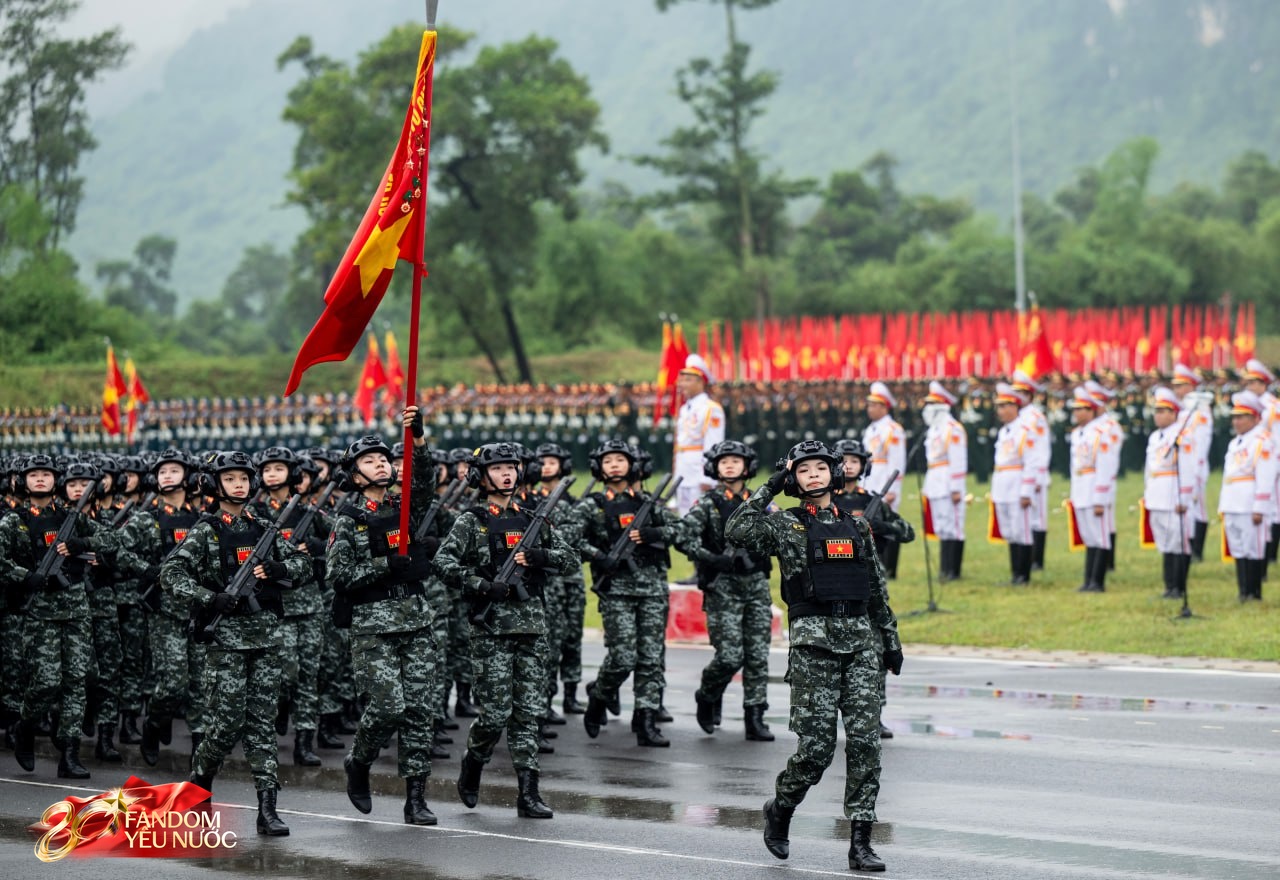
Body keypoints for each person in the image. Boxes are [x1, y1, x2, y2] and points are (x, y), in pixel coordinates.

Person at [725, 440, 901, 873]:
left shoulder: (857, 527)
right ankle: (781, 807)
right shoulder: (785, 525)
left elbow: (876, 586)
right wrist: (771, 484)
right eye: (803, 471)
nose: (813, 476)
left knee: (865, 744)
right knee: (817, 750)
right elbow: (736, 529)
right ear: (794, 480)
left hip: (860, 642)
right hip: (813, 646)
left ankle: (861, 841)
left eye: (820, 468)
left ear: (834, 474)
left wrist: (890, 639)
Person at [162, 449, 309, 836]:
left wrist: (279, 568)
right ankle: (198, 782)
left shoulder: (264, 528)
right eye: (230, 479)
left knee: (262, 722)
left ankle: (268, 809)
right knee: (226, 725)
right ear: (215, 484)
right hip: (226, 641)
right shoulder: (207, 530)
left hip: (265, 637)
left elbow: (303, 566)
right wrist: (209, 598)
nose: (239, 484)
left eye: (244, 478)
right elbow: (171, 574)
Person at [434, 442, 577, 818]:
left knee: (529, 712)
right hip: (491, 628)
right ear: (482, 476)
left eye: (512, 467)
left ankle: (528, 793)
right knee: (495, 713)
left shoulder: (534, 518)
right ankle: (474, 759)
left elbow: (569, 558)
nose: (507, 474)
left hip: (531, 625)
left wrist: (540, 557)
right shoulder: (471, 520)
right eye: (498, 469)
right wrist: (482, 585)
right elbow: (443, 563)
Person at [327, 413, 441, 826]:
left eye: (383, 458)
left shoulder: (403, 505)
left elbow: (426, 483)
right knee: (389, 706)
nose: (380, 464)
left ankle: (416, 797)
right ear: (355, 476)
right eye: (369, 460)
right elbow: (338, 577)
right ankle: (359, 761)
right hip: (374, 626)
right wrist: (384, 565)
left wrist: (418, 437)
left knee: (418, 711)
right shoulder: (349, 520)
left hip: (415, 619)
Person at [0, 455, 119, 778]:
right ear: (22, 482)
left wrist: (82, 542)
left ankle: (69, 752)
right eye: (34, 475)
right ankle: (25, 724)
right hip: (39, 611)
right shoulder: (15, 521)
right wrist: (25, 576)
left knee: (76, 681)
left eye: (46, 474)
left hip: (76, 608)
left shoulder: (71, 517)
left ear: (56, 480)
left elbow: (112, 541)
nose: (40, 479)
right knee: (46, 681)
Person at [573, 439, 678, 747]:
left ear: (632, 465)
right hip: (616, 590)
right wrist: (598, 554)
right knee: (622, 657)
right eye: (608, 461)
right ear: (599, 468)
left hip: (652, 589)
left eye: (620, 459)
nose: (615, 465)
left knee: (650, 659)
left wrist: (653, 533)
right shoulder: (591, 505)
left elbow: (682, 530)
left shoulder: (649, 503)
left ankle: (645, 722)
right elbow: (566, 538)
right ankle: (599, 696)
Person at [674, 440, 774, 742]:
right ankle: (708, 693)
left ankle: (754, 716)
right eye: (723, 461)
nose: (729, 465)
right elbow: (682, 537)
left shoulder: (761, 502)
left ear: (748, 467)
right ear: (714, 468)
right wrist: (710, 558)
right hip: (723, 588)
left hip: (756, 583)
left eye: (735, 460)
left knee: (757, 656)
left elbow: (780, 535)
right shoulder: (707, 503)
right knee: (730, 656)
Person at [250, 446, 325, 766]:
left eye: (279, 469)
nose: (272, 475)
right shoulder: (256, 512)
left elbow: (339, 536)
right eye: (267, 469)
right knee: (286, 673)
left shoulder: (308, 510)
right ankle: (280, 709)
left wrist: (318, 546)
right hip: (275, 605)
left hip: (307, 603)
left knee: (308, 673)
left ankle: (304, 741)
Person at [1218, 391, 1275, 601]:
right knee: (1238, 548)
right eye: (1234, 417)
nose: (1236, 421)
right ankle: (1242, 590)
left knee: (1254, 548)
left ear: (1255, 418)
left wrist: (1260, 507)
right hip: (1233, 502)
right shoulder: (1236, 443)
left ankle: (1254, 592)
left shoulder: (1262, 441)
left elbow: (1266, 476)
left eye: (1241, 417)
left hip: (1250, 503)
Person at [1142, 388, 1198, 599]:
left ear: (1174, 413)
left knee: (1178, 541)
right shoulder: (1155, 437)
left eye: (1164, 410)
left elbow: (1188, 468)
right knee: (1164, 542)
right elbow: (1150, 469)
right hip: (1157, 495)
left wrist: (1183, 498)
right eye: (1156, 410)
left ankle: (1179, 587)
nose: (1158, 414)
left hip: (1174, 495)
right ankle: (1169, 586)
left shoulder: (1183, 436)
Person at [1067, 388, 1118, 593]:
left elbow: (1106, 466)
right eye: (1076, 409)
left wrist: (1100, 496)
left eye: (1082, 409)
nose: (1077, 413)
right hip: (1081, 489)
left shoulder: (1100, 434)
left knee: (1101, 536)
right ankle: (1088, 579)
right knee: (1089, 536)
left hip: (1094, 489)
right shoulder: (1078, 434)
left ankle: (1098, 581)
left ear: (1092, 411)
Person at [991, 383, 1039, 584]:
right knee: (1009, 530)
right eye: (999, 406)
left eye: (1004, 406)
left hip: (1018, 485)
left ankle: (1023, 574)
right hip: (1003, 485)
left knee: (1022, 530)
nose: (1000, 411)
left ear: (1014, 407)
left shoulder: (1025, 431)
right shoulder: (1004, 432)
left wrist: (1027, 491)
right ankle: (1015, 573)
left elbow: (1031, 462)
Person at [921, 381, 968, 581]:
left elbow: (958, 460)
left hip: (949, 481)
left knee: (953, 526)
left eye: (932, 404)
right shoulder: (934, 429)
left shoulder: (952, 429)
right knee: (941, 525)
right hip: (935, 480)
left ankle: (953, 570)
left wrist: (956, 487)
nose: (927, 409)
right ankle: (944, 568)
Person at [1169, 365, 1214, 561]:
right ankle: (1188, 543)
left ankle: (1198, 550)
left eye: (1181, 385)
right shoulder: (1183, 410)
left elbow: (1201, 444)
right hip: (1182, 466)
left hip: (1196, 466)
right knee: (1185, 506)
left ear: (1190, 386)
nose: (1177, 390)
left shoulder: (1200, 411)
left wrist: (1196, 470)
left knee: (1198, 508)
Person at [861, 382, 905, 579]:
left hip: (886, 483)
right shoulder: (871, 429)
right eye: (869, 405)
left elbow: (897, 462)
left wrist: (892, 488)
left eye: (873, 405)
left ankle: (890, 568)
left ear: (883, 407)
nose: (869, 409)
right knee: (873, 526)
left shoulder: (893, 429)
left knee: (888, 526)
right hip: (871, 482)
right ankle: (877, 565)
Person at [673, 354, 726, 516]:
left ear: (700, 382)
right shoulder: (684, 409)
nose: (682, 384)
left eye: (688, 380)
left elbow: (713, 444)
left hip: (699, 471)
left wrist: (709, 477)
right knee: (683, 516)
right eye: (682, 379)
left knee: (700, 516)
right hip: (683, 470)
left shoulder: (710, 408)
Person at [1241, 359, 1280, 571]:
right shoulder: (1249, 405)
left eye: (1253, 382)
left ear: (1263, 383)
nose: (1249, 387)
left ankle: (1268, 556)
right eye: (1247, 383)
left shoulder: (1273, 407)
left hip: (1270, 463)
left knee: (1271, 510)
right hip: (1249, 465)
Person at [1010, 371, 1052, 571]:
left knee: (1038, 518)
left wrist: (1039, 476)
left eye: (1021, 393)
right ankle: (1028, 557)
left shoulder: (1036, 417)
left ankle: (1038, 560)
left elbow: (1041, 448)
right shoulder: (1018, 417)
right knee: (1025, 518)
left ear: (1029, 395)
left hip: (1036, 474)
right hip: (1022, 474)